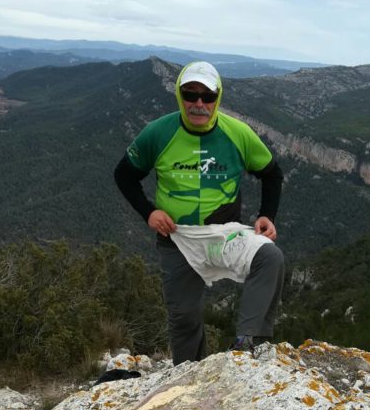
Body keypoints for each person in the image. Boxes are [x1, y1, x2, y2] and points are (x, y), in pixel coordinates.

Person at [114, 61, 284, 365]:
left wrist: (266, 215)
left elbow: (272, 173)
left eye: (207, 96)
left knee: (270, 258)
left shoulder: (238, 133)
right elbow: (124, 174)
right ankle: (189, 373)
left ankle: (246, 344)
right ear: (180, 96)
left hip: (224, 234)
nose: (199, 103)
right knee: (183, 317)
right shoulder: (158, 133)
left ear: (218, 98)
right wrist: (148, 213)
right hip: (178, 237)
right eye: (190, 94)